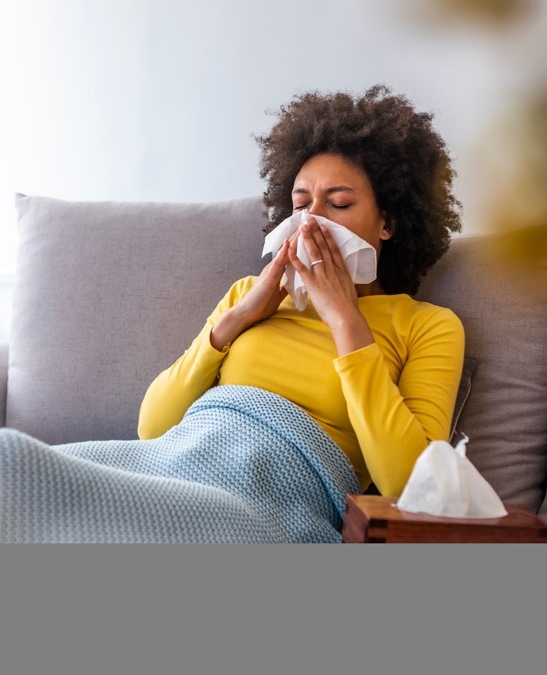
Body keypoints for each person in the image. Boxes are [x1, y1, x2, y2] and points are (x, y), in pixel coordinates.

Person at [138, 86, 466, 498]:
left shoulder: (427, 326)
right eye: (300, 204)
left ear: (389, 223)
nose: (311, 222)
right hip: (178, 468)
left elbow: (411, 485)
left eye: (339, 204)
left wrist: (347, 321)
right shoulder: (248, 294)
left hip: (276, 502)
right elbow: (152, 429)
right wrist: (237, 319)